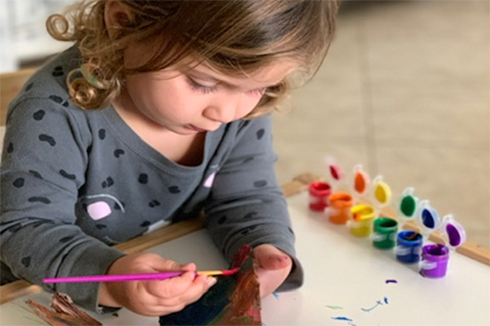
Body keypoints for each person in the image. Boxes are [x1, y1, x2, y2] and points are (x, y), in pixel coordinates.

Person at [0, 0, 339, 317]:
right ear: (124, 23)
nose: (228, 111)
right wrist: (112, 280)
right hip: (34, 293)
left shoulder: (239, 108)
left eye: (258, 87)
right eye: (202, 82)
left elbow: (245, 196)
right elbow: (24, 229)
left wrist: (264, 249)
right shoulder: (53, 111)